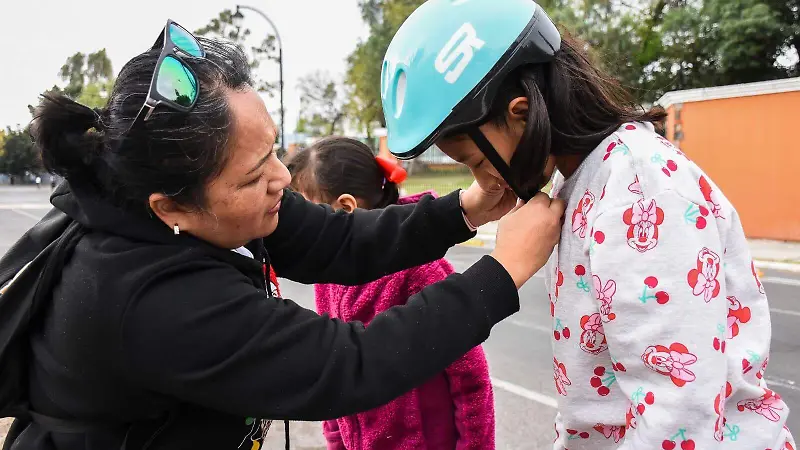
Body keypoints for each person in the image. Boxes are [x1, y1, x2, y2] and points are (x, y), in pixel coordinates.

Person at [5, 19, 565, 450]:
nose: (281, 178)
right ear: (171, 204)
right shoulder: (147, 299)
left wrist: (466, 209)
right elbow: (350, 366)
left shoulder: (196, 201)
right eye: (254, 174)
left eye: (274, 149)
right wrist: (502, 272)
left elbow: (337, 240)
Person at [380, 1, 795, 449]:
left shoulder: (638, 187)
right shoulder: (578, 182)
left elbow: (679, 413)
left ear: (521, 113)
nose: (482, 181)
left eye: (477, 162)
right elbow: (594, 404)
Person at [287, 137, 495, 450]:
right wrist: (336, 440)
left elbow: (469, 374)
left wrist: (475, 445)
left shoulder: (419, 269)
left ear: (345, 207)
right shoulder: (325, 275)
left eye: (304, 214)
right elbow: (332, 365)